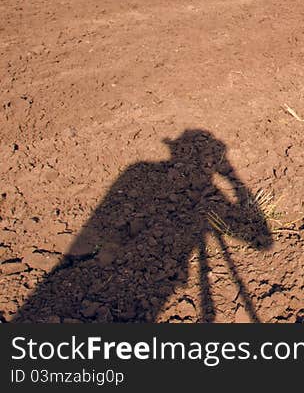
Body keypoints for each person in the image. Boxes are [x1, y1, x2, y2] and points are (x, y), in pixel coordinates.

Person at [14, 130, 272, 322]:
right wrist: (231, 176)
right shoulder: (141, 173)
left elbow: (261, 240)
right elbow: (261, 239)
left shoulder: (137, 171)